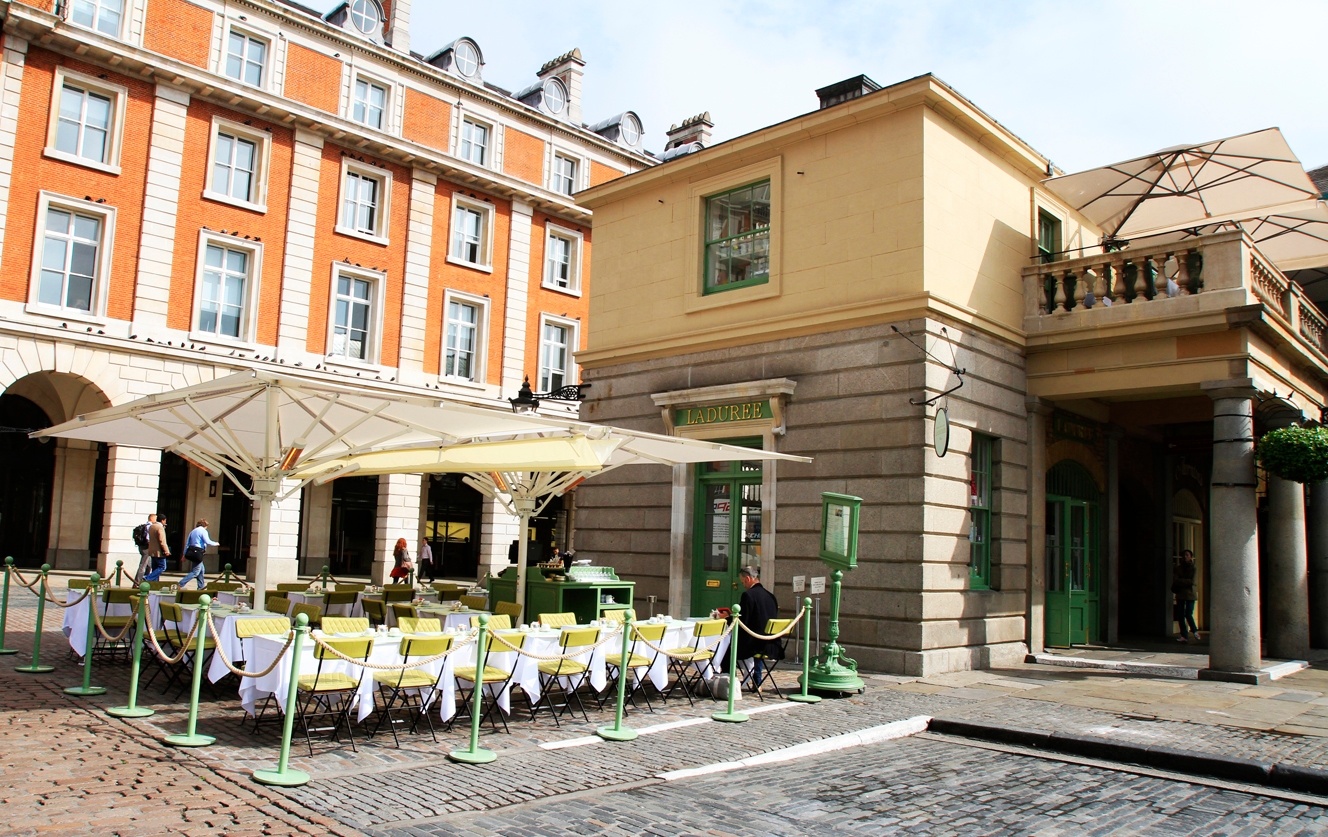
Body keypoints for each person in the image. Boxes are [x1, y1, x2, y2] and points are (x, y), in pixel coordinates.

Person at [720, 566, 783, 688]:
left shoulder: (748, 595)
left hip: (754, 644)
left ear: (748, 578)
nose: (743, 584)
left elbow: (743, 620)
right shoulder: (771, 596)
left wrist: (726, 619)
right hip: (771, 643)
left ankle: (728, 683)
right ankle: (756, 681)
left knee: (726, 650)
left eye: (743, 581)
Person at [181, 519, 219, 590]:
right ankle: (181, 584)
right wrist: (216, 543)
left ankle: (201, 587)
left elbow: (187, 544)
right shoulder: (203, 531)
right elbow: (207, 541)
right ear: (204, 525)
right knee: (195, 572)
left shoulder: (193, 531)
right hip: (198, 552)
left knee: (201, 570)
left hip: (192, 551)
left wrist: (184, 554)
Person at [1173, 549, 1199, 642]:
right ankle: (1184, 635)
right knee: (1180, 615)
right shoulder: (1178, 568)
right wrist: (1185, 581)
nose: (1185, 557)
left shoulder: (1194, 568)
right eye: (1184, 555)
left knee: (1188, 614)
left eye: (1187, 555)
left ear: (1191, 556)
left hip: (1190, 594)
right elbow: (1176, 580)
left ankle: (1194, 630)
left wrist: (1181, 580)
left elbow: (1192, 582)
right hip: (1180, 593)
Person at [144, 514, 170, 582]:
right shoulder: (159, 528)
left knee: (155, 568)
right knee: (162, 567)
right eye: (165, 521)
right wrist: (166, 551)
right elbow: (162, 541)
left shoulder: (152, 526)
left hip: (152, 550)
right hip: (159, 551)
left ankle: (154, 583)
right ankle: (148, 577)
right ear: (162, 520)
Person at [131, 513, 156, 585]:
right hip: (146, 548)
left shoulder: (144, 526)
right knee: (143, 566)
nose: (156, 520)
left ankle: (144, 581)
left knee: (149, 566)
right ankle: (137, 583)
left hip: (142, 547)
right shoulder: (150, 526)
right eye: (155, 518)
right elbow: (148, 538)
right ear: (151, 518)